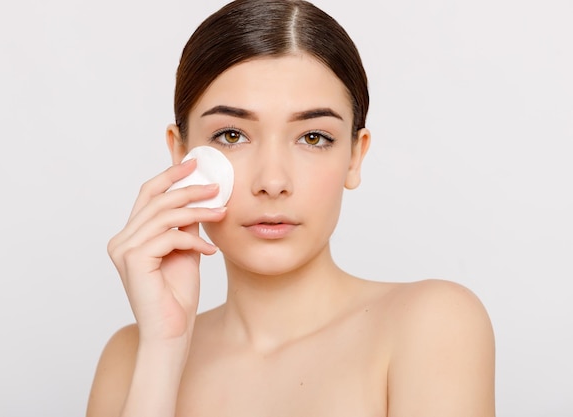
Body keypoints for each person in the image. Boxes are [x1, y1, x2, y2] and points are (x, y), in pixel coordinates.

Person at [86, 1, 496, 416]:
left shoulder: (432, 325)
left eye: (313, 137)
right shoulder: (130, 358)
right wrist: (164, 348)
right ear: (180, 153)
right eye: (232, 135)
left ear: (355, 156)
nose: (273, 182)